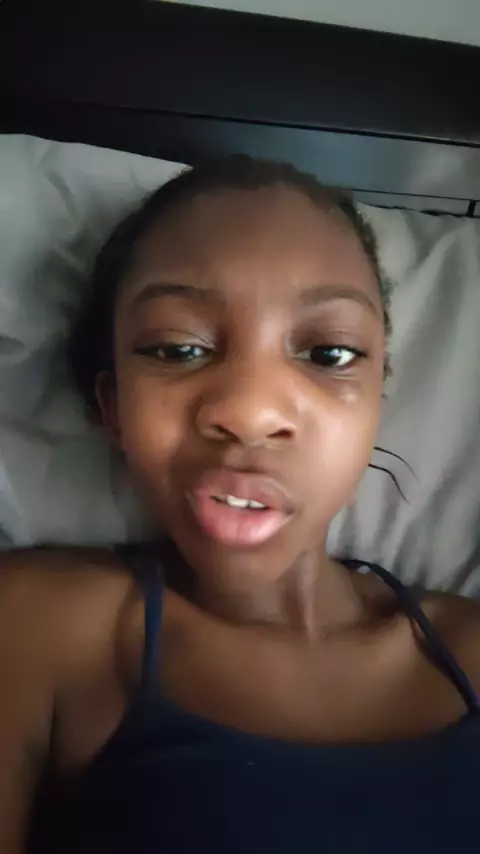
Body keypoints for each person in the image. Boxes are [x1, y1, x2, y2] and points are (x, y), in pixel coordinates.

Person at [1, 156, 479, 854]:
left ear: (378, 396)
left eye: (330, 354)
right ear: (112, 407)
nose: (251, 412)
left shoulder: (470, 649)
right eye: (177, 348)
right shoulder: (36, 626)